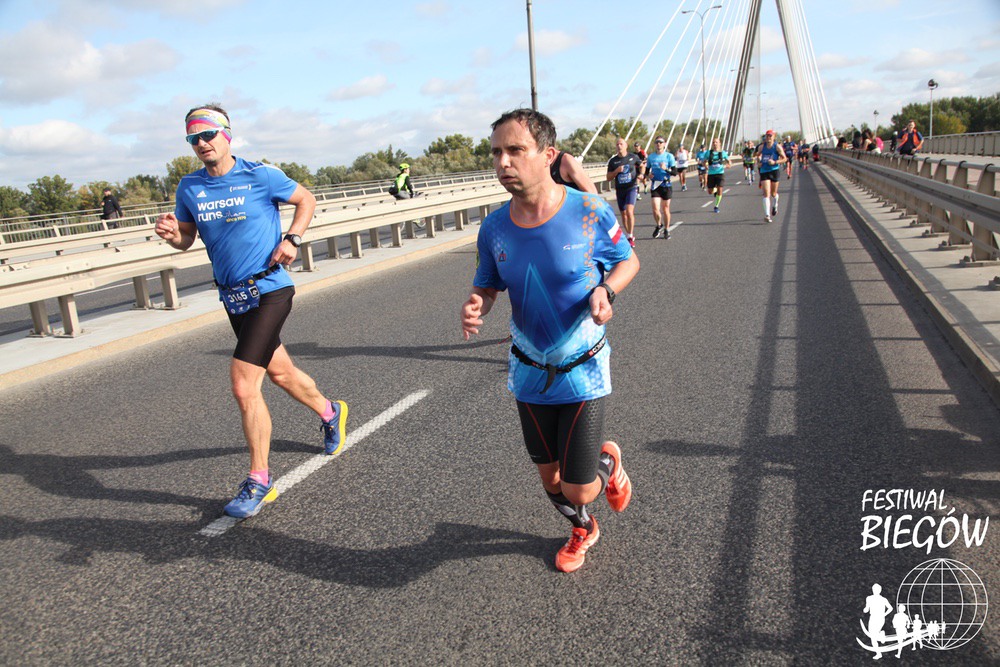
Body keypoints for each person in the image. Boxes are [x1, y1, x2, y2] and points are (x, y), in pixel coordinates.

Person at [461, 108, 640, 573]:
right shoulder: (493, 227)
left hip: (582, 366)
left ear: (548, 155)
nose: (503, 162)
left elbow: (628, 261)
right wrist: (478, 303)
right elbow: (488, 284)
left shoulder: (589, 212)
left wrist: (606, 289)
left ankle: (606, 463)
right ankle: (583, 529)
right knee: (550, 478)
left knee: (579, 487)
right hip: (529, 370)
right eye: (496, 153)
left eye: (515, 150)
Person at [154, 104, 349, 519]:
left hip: (270, 288)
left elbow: (306, 199)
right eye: (193, 138)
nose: (202, 143)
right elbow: (187, 239)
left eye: (208, 134)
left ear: (227, 134)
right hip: (233, 297)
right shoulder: (189, 187)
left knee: (244, 385)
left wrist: (292, 239)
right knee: (280, 373)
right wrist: (173, 236)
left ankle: (259, 480)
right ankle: (330, 411)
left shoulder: (260, 175)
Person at [606, 137, 643, 248]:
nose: (619, 146)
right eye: (617, 144)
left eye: (621, 144)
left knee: (629, 211)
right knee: (624, 214)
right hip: (620, 190)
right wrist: (616, 171)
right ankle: (628, 234)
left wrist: (641, 174)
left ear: (626, 146)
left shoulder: (633, 157)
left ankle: (630, 236)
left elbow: (642, 165)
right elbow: (608, 177)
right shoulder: (613, 161)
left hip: (631, 187)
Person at [646, 136, 677, 238]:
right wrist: (648, 175)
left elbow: (675, 172)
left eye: (660, 142)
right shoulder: (651, 157)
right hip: (655, 185)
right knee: (655, 208)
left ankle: (667, 230)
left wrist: (666, 169)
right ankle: (659, 225)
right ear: (655, 144)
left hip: (666, 185)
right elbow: (647, 171)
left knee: (665, 209)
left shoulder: (669, 156)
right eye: (657, 142)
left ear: (664, 144)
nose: (658, 144)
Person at [755, 129, 787, 223]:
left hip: (774, 171)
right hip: (764, 171)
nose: (768, 137)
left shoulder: (777, 147)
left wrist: (775, 162)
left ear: (774, 137)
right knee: (766, 194)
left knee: (773, 194)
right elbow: (757, 155)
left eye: (770, 136)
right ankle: (767, 215)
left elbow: (784, 159)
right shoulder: (762, 147)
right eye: (767, 136)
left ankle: (775, 204)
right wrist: (759, 162)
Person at [863, 584, 894, 660]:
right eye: (874, 589)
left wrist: (884, 614)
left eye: (876, 589)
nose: (875, 590)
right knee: (872, 637)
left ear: (880, 590)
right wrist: (865, 610)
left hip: (878, 618)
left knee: (873, 635)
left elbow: (890, 608)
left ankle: (881, 634)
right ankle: (878, 653)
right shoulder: (869, 598)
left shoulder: (882, 599)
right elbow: (867, 608)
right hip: (873, 617)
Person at [704, 137, 732, 214]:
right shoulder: (708, 153)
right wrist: (705, 165)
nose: (715, 144)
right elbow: (704, 161)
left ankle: (716, 206)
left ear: (719, 143)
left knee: (720, 189)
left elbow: (729, 161)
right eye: (713, 142)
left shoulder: (723, 153)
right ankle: (715, 190)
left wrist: (728, 165)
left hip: (720, 173)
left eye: (716, 142)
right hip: (711, 174)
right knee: (710, 191)